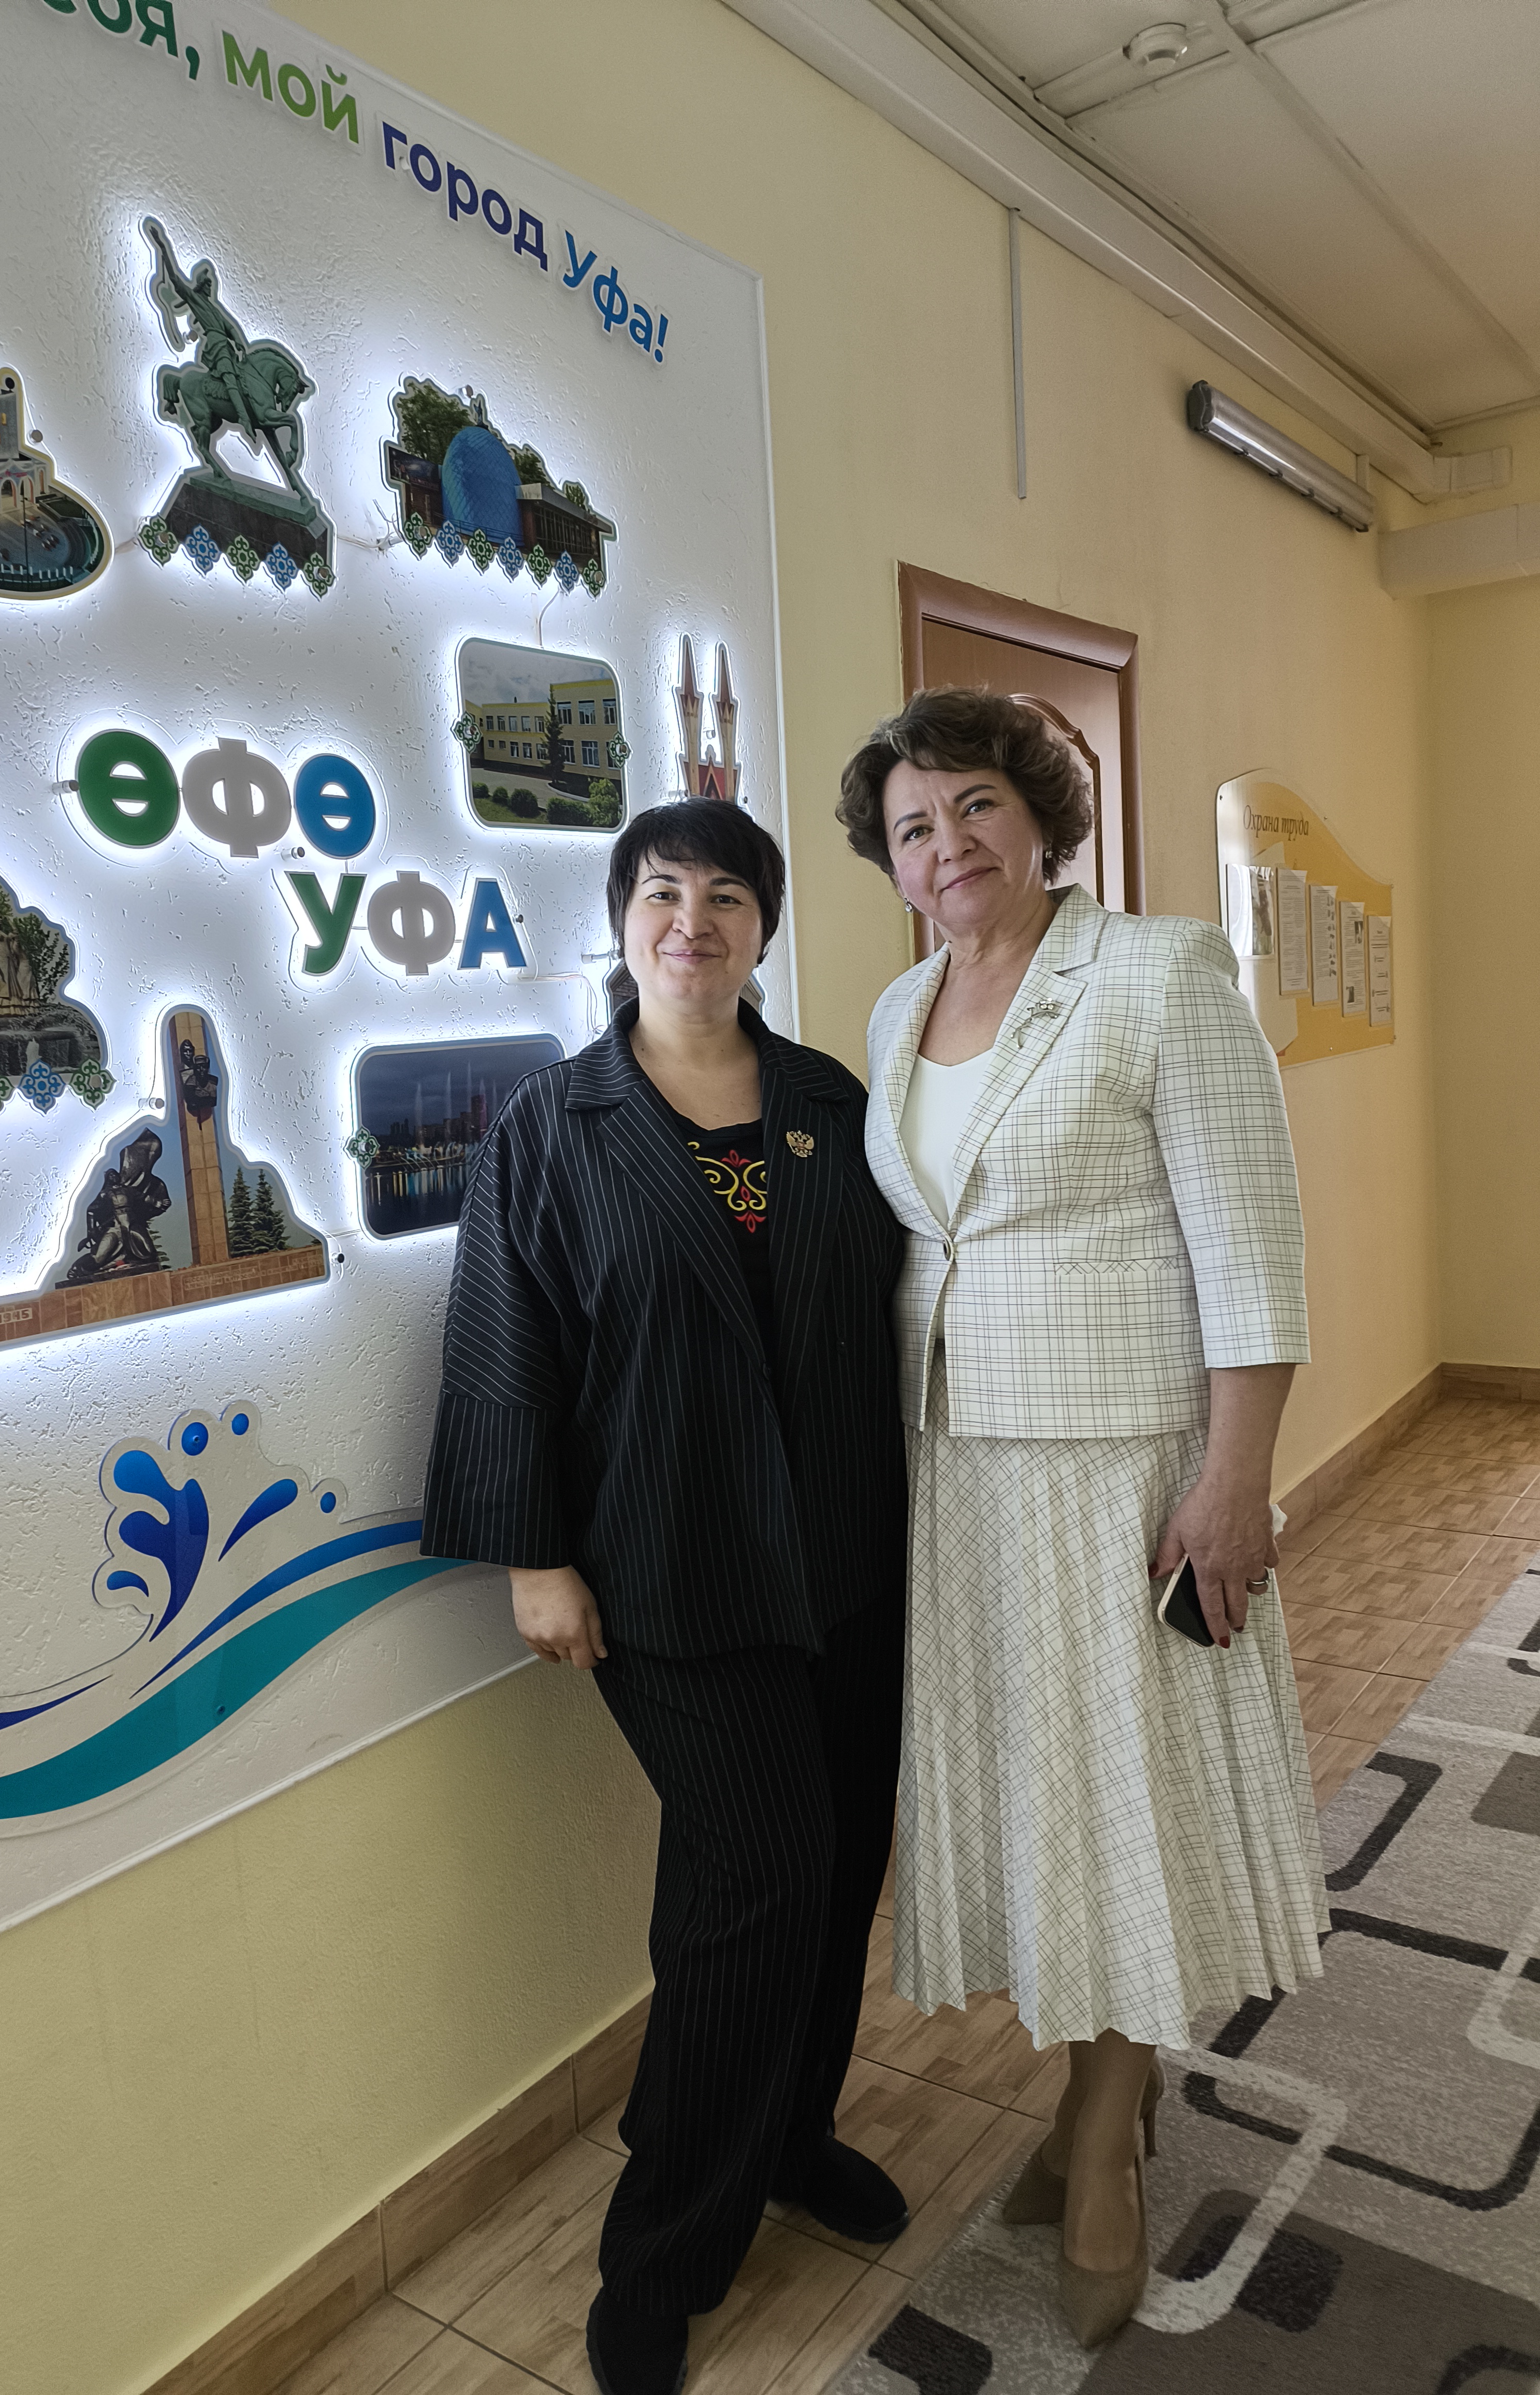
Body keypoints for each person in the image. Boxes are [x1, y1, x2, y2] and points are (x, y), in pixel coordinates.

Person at [837, 689, 1326, 2348]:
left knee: (1130, 1799)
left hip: (1125, 1467)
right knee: (1042, 1799)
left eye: (975, 804)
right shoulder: (899, 1007)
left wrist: (1235, 1478)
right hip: (957, 1469)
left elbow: (1251, 1245)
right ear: (892, 863)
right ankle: (1087, 2092)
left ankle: (1105, 2130)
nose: (948, 845)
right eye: (914, 826)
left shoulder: (1161, 973)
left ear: (1043, 813)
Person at [422, 800, 910, 2395]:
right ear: (623, 919)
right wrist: (534, 1555)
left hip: (846, 1558)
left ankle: (791, 2137)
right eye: (661, 893)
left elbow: (903, 1310)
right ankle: (664, 2249)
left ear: (765, 926)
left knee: (829, 1867)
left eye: (725, 896)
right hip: (667, 1568)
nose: (691, 921)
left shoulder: (831, 1102)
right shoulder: (552, 1127)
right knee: (760, 1878)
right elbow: (504, 1348)